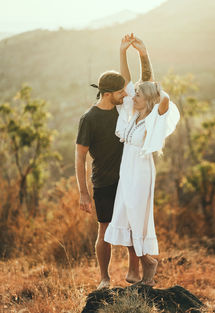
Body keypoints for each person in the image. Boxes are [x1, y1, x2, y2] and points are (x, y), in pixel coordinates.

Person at [75, 35, 154, 289]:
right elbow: (79, 157)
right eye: (120, 91)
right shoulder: (89, 118)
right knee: (104, 230)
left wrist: (127, 53)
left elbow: (136, 83)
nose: (126, 93)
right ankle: (104, 278)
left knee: (131, 225)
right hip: (104, 181)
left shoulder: (124, 109)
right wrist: (83, 193)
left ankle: (133, 269)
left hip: (128, 179)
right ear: (108, 94)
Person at [104, 34, 180, 286]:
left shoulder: (153, 119)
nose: (130, 97)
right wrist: (124, 52)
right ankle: (137, 267)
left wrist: (153, 90)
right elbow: (127, 84)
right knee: (126, 214)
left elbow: (161, 97)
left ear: (147, 100)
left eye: (137, 95)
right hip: (127, 170)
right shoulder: (130, 115)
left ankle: (147, 262)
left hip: (141, 171)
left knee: (137, 215)